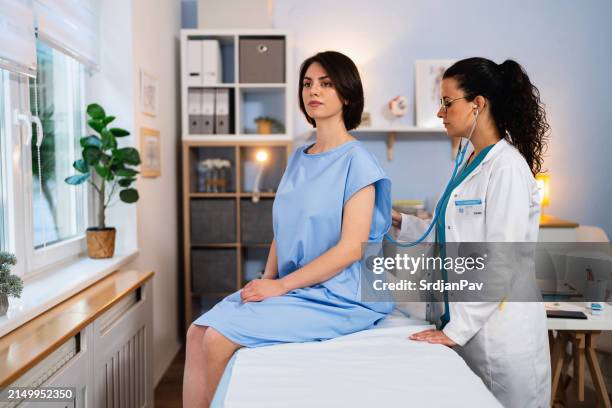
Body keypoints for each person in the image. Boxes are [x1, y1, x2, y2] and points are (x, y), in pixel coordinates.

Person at [183, 51, 394, 407]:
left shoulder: (358, 162)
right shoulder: (299, 156)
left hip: (341, 294)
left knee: (218, 338)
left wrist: (279, 286)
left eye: (326, 84)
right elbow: (284, 229)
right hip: (296, 285)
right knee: (196, 332)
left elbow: (350, 249)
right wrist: (265, 281)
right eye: (308, 83)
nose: (314, 90)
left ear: (346, 94)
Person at [392, 57, 551, 408]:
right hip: (467, 330)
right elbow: (448, 235)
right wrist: (400, 222)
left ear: (478, 104)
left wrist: (454, 331)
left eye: (447, 103)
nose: (440, 112)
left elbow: (499, 261)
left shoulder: (507, 168)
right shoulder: (469, 162)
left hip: (501, 337)